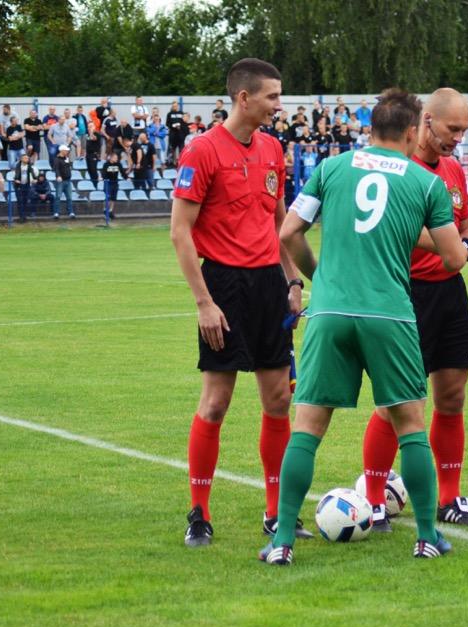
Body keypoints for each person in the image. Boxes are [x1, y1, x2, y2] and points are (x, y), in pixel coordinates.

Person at [265, 89, 468, 566]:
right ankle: (427, 537)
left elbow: (288, 232)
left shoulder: (330, 168)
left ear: (371, 129)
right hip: (389, 313)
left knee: (307, 427)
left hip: (330, 311)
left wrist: (320, 276)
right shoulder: (426, 183)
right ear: (412, 132)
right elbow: (454, 258)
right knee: (411, 426)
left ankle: (282, 542)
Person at [360, 89, 468, 532]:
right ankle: (373, 500)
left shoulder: (451, 169)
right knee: (397, 402)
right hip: (405, 293)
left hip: (449, 292)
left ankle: (450, 498)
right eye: (453, 129)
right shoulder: (398, 167)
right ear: (425, 120)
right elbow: (410, 231)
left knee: (452, 396)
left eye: (464, 130)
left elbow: (459, 227)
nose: (459, 139)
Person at [170, 58, 307, 548]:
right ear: (244, 98)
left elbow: (278, 222)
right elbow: (180, 231)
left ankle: (277, 513)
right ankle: (199, 513)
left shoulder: (272, 149)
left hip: (269, 284)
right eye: (272, 96)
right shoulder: (202, 150)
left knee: (279, 399)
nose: (279, 105)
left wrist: (292, 280)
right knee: (216, 402)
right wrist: (204, 303)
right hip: (224, 287)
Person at [9, 153, 40, 221]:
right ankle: (21, 216)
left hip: (26, 185)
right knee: (20, 201)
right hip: (19, 185)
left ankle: (24, 216)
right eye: (25, 158)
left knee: (25, 200)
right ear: (21, 159)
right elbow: (16, 175)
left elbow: (33, 174)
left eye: (27, 158)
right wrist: (16, 180)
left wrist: (35, 179)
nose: (27, 159)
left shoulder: (29, 166)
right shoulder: (18, 166)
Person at [100, 151, 126, 222]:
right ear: (111, 158)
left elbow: (122, 172)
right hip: (108, 183)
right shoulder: (106, 164)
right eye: (115, 158)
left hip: (115, 183)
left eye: (117, 158)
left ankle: (110, 211)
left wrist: (126, 177)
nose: (116, 159)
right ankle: (105, 210)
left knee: (113, 198)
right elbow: (103, 173)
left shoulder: (118, 164)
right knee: (108, 197)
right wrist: (102, 177)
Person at [52, 145, 76, 220]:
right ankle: (56, 212)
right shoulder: (56, 159)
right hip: (61, 181)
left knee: (69, 197)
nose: (67, 151)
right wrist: (58, 176)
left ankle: (71, 212)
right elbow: (56, 169)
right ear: (62, 151)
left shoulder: (66, 158)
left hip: (68, 180)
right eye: (66, 150)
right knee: (58, 197)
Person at [166, 101, 187, 166]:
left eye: (176, 106)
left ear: (178, 106)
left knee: (181, 150)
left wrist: (180, 126)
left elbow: (184, 122)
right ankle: (172, 163)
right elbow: (167, 123)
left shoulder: (181, 113)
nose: (175, 107)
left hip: (180, 135)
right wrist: (173, 126)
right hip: (172, 135)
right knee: (172, 150)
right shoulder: (169, 114)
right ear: (172, 106)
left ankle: (181, 162)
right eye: (173, 106)